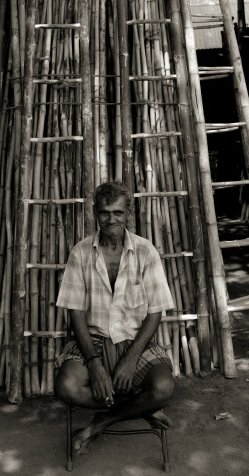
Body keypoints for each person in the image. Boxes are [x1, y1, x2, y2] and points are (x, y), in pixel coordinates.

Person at [55, 180, 175, 455]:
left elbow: (156, 311)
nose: (111, 219)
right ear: (95, 213)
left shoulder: (145, 251)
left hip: (135, 341)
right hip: (94, 340)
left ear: (128, 214)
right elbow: (75, 312)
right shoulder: (81, 252)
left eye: (118, 212)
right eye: (105, 212)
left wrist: (132, 358)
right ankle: (140, 407)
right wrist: (95, 365)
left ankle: (103, 421)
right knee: (67, 387)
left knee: (164, 388)